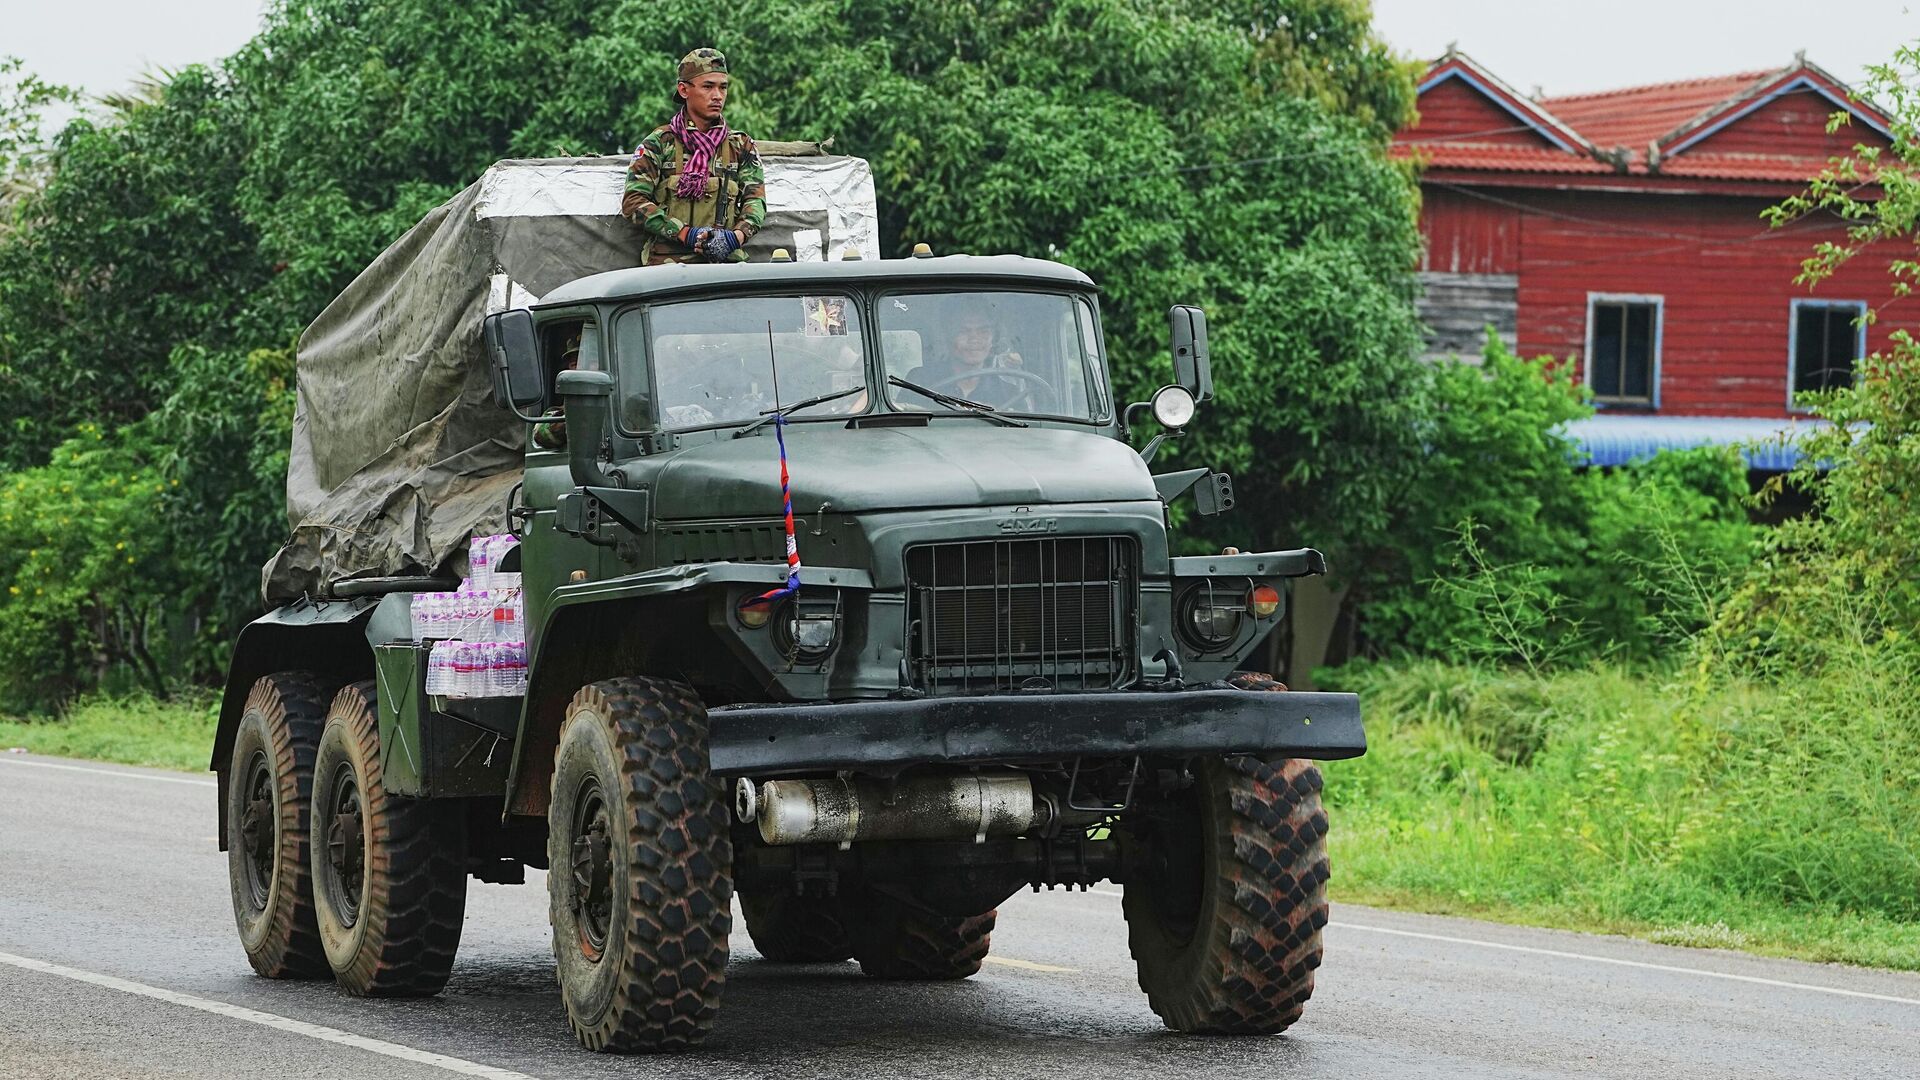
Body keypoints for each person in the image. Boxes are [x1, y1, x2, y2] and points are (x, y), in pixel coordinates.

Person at [621, 48, 767, 267]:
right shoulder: (660, 143)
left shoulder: (740, 146)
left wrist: (734, 237)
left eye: (723, 87)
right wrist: (684, 233)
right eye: (708, 86)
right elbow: (633, 202)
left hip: (724, 263)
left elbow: (755, 202)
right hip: (668, 266)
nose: (717, 95)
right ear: (683, 90)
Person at [903, 305, 1029, 408]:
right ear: (948, 337)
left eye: (983, 331)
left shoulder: (1009, 394)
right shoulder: (919, 382)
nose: (974, 339)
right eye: (963, 331)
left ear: (993, 338)